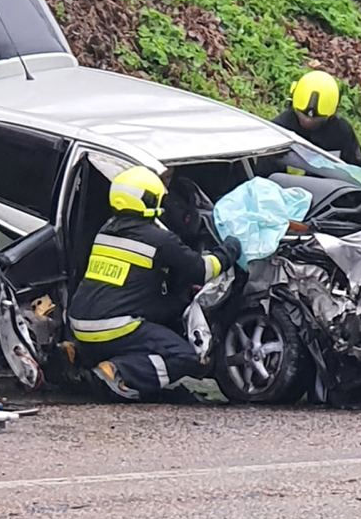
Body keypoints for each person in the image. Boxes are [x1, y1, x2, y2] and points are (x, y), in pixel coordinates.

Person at [69, 166, 241, 400]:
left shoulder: (106, 232)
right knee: (184, 356)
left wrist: (178, 300)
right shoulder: (159, 239)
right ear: (150, 199)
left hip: (80, 323)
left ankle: (75, 354)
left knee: (164, 315)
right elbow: (202, 270)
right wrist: (231, 248)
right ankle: (119, 372)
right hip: (115, 327)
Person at [272, 70, 361, 167]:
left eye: (317, 119)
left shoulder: (342, 133)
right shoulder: (279, 130)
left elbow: (358, 170)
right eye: (302, 115)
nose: (308, 121)